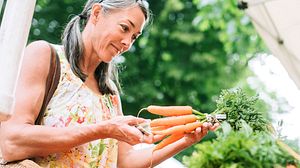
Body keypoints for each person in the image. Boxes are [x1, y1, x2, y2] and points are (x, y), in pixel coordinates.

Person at [0, 0, 218, 167]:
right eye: (124, 28)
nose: (127, 43)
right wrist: (103, 129)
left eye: (134, 37)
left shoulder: (110, 93)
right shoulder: (44, 56)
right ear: (96, 13)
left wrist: (184, 140)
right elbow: (11, 141)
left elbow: (125, 162)